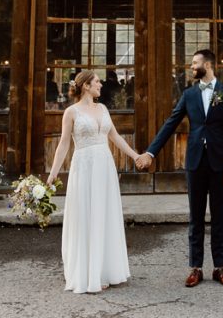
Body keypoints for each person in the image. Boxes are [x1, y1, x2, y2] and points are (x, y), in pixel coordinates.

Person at [136, 49, 223, 288]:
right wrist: (151, 152)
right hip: (195, 163)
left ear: (209, 65)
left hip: (220, 164)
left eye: (195, 63)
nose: (192, 67)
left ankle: (219, 268)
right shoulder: (189, 94)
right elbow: (170, 123)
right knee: (195, 217)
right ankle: (196, 268)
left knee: (219, 217)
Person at [47, 70, 147, 294]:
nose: (101, 85)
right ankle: (88, 272)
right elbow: (64, 144)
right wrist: (53, 173)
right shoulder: (71, 113)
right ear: (85, 86)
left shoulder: (103, 109)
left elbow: (115, 137)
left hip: (104, 166)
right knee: (86, 215)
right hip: (84, 166)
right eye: (97, 82)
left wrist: (135, 156)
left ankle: (104, 270)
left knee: (104, 214)